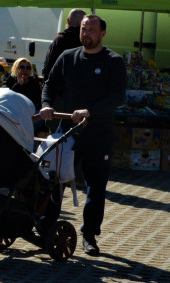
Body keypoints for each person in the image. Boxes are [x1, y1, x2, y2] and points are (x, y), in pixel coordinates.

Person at [40, 14, 126, 256]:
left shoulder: (113, 61)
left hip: (98, 134)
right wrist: (46, 104)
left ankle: (89, 235)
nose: (86, 34)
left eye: (91, 30)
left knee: (95, 186)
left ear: (103, 33)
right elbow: (50, 84)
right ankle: (46, 226)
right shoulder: (68, 57)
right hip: (67, 131)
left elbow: (117, 97)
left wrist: (90, 111)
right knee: (54, 181)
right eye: (83, 29)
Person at [41, 8, 86, 81]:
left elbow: (48, 66)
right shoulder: (87, 42)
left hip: (59, 84)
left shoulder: (60, 41)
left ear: (68, 21)